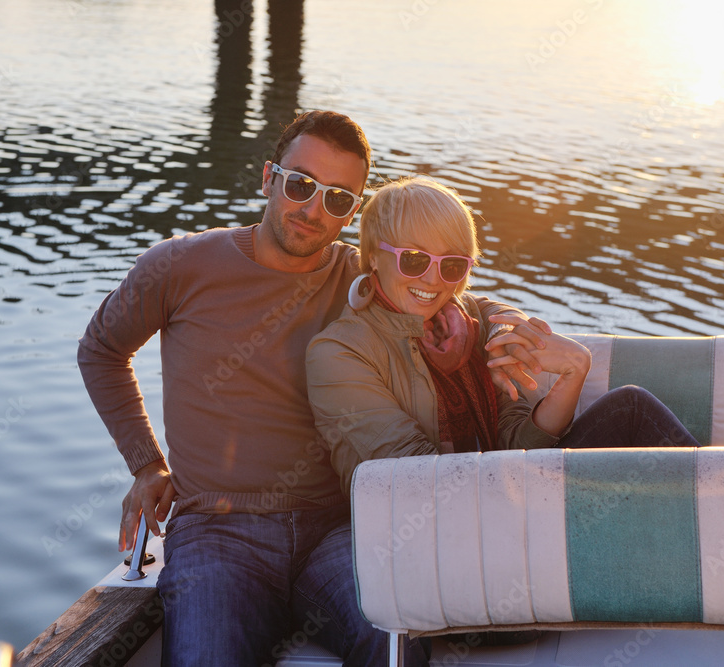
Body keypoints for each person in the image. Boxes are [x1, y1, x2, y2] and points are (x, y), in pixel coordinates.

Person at [77, 111, 545, 667]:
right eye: (301, 184)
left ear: (354, 213)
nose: (314, 209)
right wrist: (147, 463)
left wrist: (504, 320)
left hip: (339, 528)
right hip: (220, 533)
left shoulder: (361, 277)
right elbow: (102, 350)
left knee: (397, 646)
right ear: (270, 177)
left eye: (339, 199)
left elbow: (459, 293)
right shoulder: (178, 266)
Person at [306, 177, 701, 498]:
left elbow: (521, 445)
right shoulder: (338, 354)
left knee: (629, 409)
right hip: (426, 528)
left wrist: (573, 373)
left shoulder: (468, 325)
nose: (432, 279)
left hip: (504, 497)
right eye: (414, 258)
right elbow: (416, 478)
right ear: (373, 255)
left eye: (454, 264)